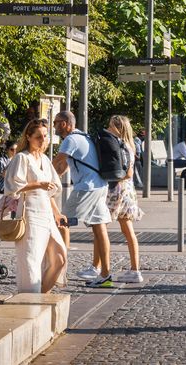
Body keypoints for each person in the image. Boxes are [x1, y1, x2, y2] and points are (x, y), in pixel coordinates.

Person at [5, 118, 68, 293]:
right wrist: (38, 185)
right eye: (39, 137)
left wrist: (57, 214)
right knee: (31, 260)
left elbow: (50, 193)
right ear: (29, 137)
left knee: (60, 257)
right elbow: (12, 187)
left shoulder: (45, 159)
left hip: (47, 213)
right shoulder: (21, 158)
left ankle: (41, 295)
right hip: (30, 214)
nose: (43, 140)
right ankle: (30, 298)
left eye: (45, 136)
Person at [51, 111, 113, 288]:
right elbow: (62, 167)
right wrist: (51, 180)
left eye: (56, 122)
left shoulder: (70, 140)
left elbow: (56, 162)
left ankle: (59, 270)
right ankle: (105, 274)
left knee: (60, 223)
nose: (54, 126)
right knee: (100, 227)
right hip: (100, 186)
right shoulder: (83, 136)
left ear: (64, 123)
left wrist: (37, 178)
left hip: (86, 188)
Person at [105, 115, 144, 283]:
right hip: (128, 190)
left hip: (119, 189)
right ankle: (135, 269)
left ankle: (98, 267)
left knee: (101, 227)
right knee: (127, 231)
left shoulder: (122, 146)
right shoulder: (130, 145)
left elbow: (127, 172)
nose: (108, 129)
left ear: (118, 128)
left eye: (110, 126)